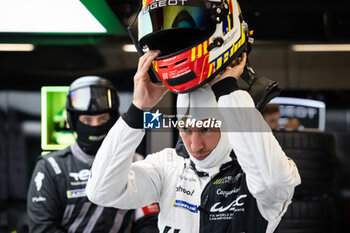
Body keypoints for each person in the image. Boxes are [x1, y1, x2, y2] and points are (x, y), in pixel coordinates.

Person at [86, 50, 301, 233]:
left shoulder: (257, 174)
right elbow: (101, 191)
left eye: (207, 128)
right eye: (185, 129)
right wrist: (137, 110)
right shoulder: (168, 166)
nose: (195, 145)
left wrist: (229, 92)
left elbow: (276, 183)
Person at [27, 76, 159, 233]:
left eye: (102, 118)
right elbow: (42, 227)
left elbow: (148, 222)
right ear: (73, 121)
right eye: (87, 120)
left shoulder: (135, 162)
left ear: (114, 121)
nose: (95, 125)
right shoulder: (51, 167)